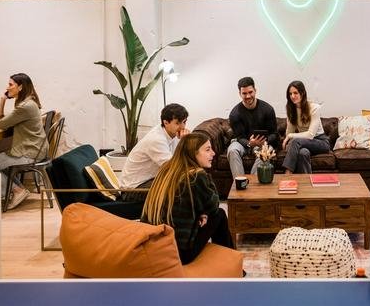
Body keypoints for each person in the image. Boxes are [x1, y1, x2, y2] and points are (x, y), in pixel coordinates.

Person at [141, 132, 235, 265]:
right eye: (207, 149)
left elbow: (183, 204)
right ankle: (231, 265)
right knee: (219, 214)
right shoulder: (196, 176)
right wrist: (206, 176)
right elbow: (214, 205)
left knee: (211, 214)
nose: (213, 153)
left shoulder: (167, 170)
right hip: (180, 253)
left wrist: (202, 213)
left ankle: (230, 264)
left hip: (155, 248)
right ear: (193, 153)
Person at [0, 73, 45, 210]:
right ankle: (18, 189)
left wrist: (2, 99)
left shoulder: (24, 107)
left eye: (10, 85)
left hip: (29, 153)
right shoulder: (28, 102)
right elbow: (3, 121)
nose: (7, 87)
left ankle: (16, 191)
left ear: (20, 87)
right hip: (35, 149)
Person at [119, 103, 190, 201]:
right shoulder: (156, 139)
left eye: (184, 122)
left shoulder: (174, 134)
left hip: (151, 180)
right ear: (165, 122)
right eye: (178, 123)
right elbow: (173, 168)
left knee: (190, 181)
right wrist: (185, 144)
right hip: (133, 189)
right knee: (180, 187)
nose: (182, 127)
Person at [226, 77, 278, 178]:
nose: (248, 96)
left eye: (250, 92)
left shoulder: (268, 109)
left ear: (255, 91)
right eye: (244, 93)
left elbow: (274, 134)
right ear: (240, 94)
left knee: (266, 151)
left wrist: (264, 141)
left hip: (263, 144)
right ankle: (240, 182)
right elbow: (239, 137)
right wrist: (249, 143)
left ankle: (252, 185)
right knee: (232, 150)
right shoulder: (234, 113)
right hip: (243, 143)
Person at [282, 80, 330, 174]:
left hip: (320, 142)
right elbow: (289, 132)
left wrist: (291, 136)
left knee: (295, 141)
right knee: (303, 153)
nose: (292, 96)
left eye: (295, 93)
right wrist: (289, 137)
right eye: (290, 94)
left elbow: (310, 135)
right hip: (303, 144)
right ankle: (306, 183)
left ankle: (287, 174)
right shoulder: (291, 109)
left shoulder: (314, 108)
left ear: (302, 93)